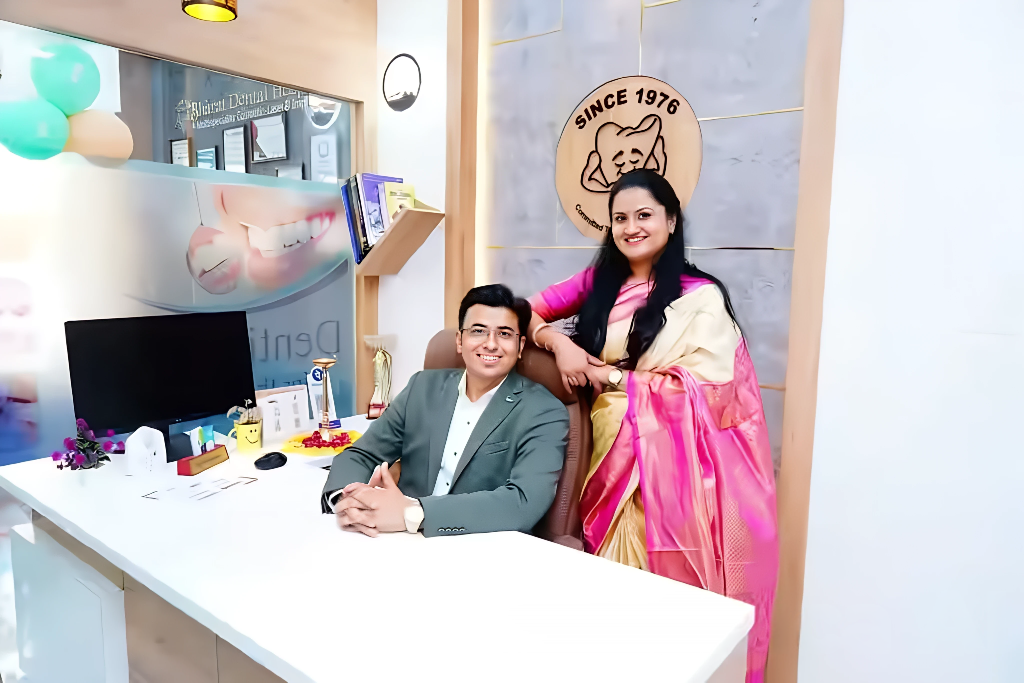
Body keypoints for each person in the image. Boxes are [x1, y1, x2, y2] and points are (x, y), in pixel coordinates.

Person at [528, 169, 778, 682]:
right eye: (620, 218)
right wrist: (561, 344)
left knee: (656, 598)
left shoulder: (700, 296)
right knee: (606, 593)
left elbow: (713, 390)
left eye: (644, 215)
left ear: (671, 221)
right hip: (606, 456)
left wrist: (609, 376)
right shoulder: (598, 284)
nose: (631, 227)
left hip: (673, 469)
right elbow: (521, 311)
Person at [322, 284, 569, 538]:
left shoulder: (544, 411)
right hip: (397, 538)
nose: (491, 344)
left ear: (520, 346)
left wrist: (412, 513)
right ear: (460, 341)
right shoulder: (421, 387)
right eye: (478, 331)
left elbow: (523, 502)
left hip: (477, 545)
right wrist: (345, 500)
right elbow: (362, 454)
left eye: (504, 334)